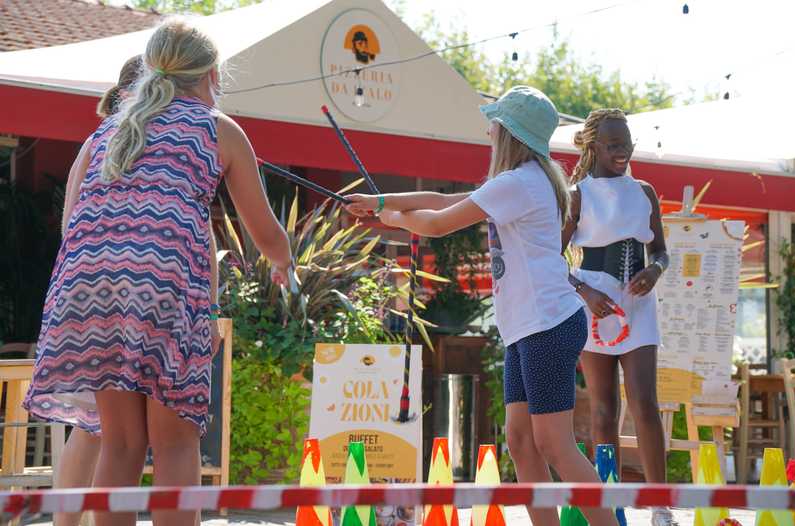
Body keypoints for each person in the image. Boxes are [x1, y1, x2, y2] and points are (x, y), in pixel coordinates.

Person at [24, 19, 291, 526]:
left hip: (88, 289)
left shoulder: (110, 130)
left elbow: (75, 219)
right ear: (212, 74)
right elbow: (265, 233)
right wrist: (283, 261)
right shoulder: (217, 128)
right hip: (162, 290)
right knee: (175, 441)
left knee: (120, 442)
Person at [346, 86, 617, 526]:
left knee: (554, 444)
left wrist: (391, 218)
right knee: (521, 442)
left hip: (546, 324)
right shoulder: (523, 180)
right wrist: (381, 203)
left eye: (494, 124)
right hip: (531, 326)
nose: (488, 132)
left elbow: (437, 223)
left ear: (509, 132)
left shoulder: (519, 182)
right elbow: (442, 202)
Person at [53, 53, 221, 526]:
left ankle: (66, 523)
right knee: (131, 437)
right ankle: (66, 523)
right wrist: (206, 305)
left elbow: (72, 228)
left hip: (92, 298)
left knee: (104, 436)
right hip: (150, 301)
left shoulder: (102, 139)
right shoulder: (186, 137)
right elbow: (199, 235)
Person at [561, 109, 674, 526]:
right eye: (613, 145)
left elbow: (660, 251)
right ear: (594, 146)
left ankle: (660, 506)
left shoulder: (645, 191)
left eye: (627, 144)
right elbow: (551, 258)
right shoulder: (578, 194)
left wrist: (655, 270)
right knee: (604, 410)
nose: (622, 152)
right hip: (596, 305)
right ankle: (610, 506)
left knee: (645, 402)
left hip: (638, 304)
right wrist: (585, 292)